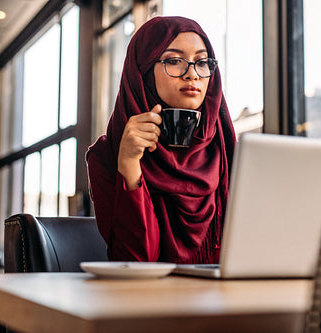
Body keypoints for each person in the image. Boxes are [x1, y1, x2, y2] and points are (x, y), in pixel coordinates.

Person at [86, 16, 236, 264]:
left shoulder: (223, 146)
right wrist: (130, 165)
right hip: (149, 300)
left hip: (225, 299)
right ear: (142, 72)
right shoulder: (107, 154)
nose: (192, 75)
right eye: (174, 61)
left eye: (201, 62)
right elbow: (135, 262)